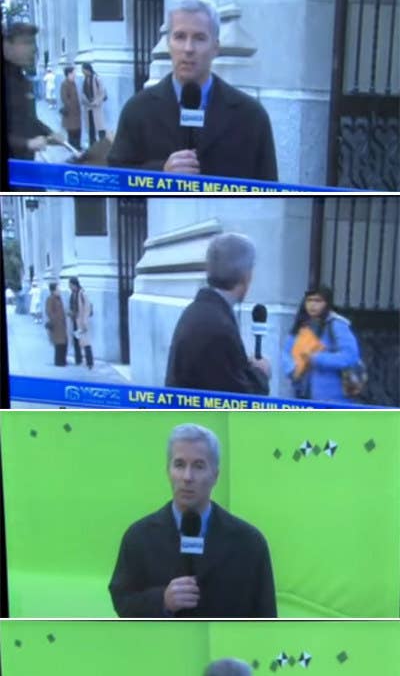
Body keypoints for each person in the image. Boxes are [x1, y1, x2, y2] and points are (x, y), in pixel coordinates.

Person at [109, 423, 277, 618]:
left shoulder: (249, 543)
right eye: (179, 465)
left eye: (198, 466)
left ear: (215, 475)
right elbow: (122, 601)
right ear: (168, 471)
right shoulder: (138, 537)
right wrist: (162, 600)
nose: (187, 477)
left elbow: (266, 619)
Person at [108, 0, 278, 181]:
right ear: (168, 44)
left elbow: (269, 192)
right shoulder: (137, 110)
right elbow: (116, 179)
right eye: (180, 37)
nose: (188, 48)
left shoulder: (251, 116)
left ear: (215, 47)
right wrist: (160, 173)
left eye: (199, 38)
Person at [165, 233, 271, 395]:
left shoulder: (201, 310)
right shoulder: (216, 326)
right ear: (246, 275)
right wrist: (261, 374)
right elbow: (238, 400)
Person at [282, 286, 361, 403]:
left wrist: (317, 358)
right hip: (302, 394)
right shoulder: (301, 324)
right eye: (309, 300)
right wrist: (292, 369)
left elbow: (350, 356)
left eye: (318, 301)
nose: (312, 305)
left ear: (327, 303)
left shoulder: (337, 325)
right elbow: (286, 352)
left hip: (334, 398)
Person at [2, 22, 64, 160]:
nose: (34, 49)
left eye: (34, 43)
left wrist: (49, 134)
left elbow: (29, 120)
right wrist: (26, 144)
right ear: (6, 45)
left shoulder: (24, 81)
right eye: (26, 43)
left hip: (25, 165)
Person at [68, 276, 94, 369]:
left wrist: (84, 321)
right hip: (75, 320)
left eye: (70, 285)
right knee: (76, 341)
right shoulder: (72, 294)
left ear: (74, 284)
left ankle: (90, 362)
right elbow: (72, 306)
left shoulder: (82, 293)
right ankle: (78, 359)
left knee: (85, 342)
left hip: (82, 321)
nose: (69, 286)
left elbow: (87, 308)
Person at [81, 62, 106, 146]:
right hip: (88, 108)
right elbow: (83, 92)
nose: (82, 71)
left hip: (96, 107)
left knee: (100, 127)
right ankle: (92, 145)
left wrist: (96, 102)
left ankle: (103, 145)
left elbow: (102, 92)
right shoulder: (84, 79)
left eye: (83, 69)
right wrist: (84, 100)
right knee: (91, 128)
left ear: (87, 70)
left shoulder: (96, 78)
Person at [45, 282, 67, 366]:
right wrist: (55, 320)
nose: (59, 290)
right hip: (56, 325)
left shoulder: (59, 298)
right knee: (58, 343)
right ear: (53, 290)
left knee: (63, 343)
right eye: (58, 289)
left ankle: (63, 360)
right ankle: (59, 362)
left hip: (62, 324)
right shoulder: (50, 299)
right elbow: (49, 311)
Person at [60, 66, 82, 150]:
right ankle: (72, 146)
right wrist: (71, 106)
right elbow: (64, 98)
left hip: (76, 112)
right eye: (73, 73)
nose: (75, 74)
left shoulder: (73, 83)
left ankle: (77, 145)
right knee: (72, 130)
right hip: (70, 113)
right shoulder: (64, 84)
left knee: (78, 130)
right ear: (69, 74)